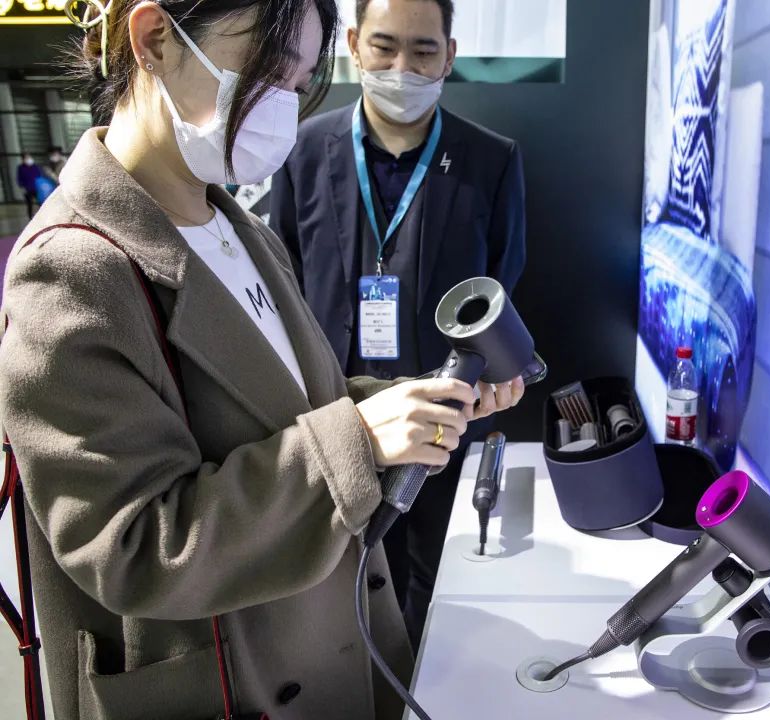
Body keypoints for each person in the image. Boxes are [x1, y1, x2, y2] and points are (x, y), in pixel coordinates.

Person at [0, 2, 522, 719]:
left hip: (333, 642)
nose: (283, 108)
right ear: (154, 39)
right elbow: (131, 548)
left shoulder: (237, 229)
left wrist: (414, 403)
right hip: (231, 678)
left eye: (299, 84)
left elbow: (287, 404)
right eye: (268, 73)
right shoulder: (72, 271)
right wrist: (359, 441)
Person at [270, 0, 527, 649]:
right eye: (384, 47)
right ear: (355, 44)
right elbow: (284, 280)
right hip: (338, 419)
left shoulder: (490, 160)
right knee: (340, 589)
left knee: (440, 581)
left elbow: (501, 283)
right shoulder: (301, 151)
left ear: (449, 55)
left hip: (448, 417)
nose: (402, 67)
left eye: (423, 50)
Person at [16, 152, 42, 219]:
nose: (28, 159)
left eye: (29, 157)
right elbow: (19, 178)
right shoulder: (21, 168)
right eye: (26, 158)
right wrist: (22, 187)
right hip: (27, 188)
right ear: (23, 159)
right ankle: (30, 217)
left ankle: (42, 215)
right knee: (29, 204)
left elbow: (39, 175)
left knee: (40, 202)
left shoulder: (34, 166)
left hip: (36, 187)